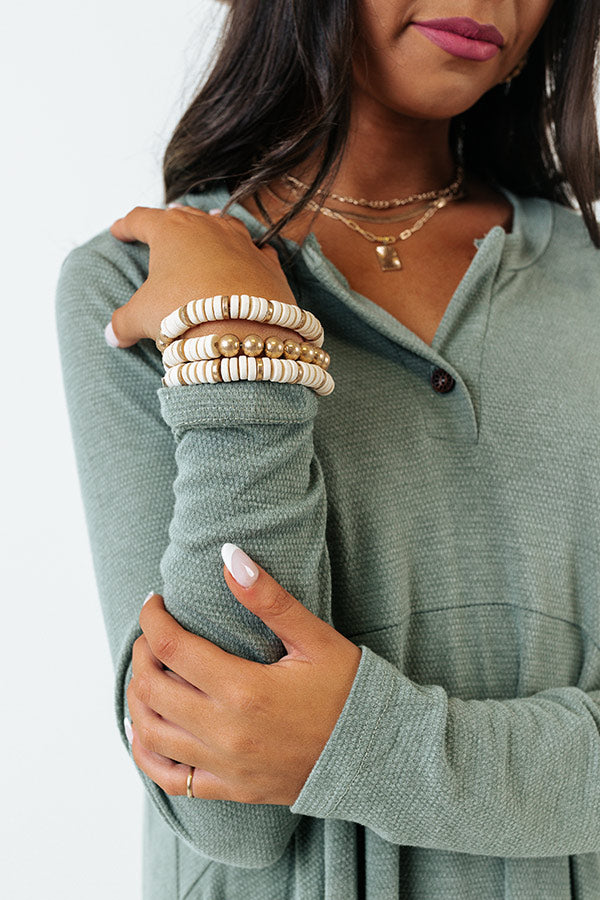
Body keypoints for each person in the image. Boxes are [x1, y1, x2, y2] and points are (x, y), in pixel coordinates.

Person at [55, 0, 600, 897]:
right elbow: (226, 810)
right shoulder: (136, 285)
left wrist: (364, 745)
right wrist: (239, 352)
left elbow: (273, 753)